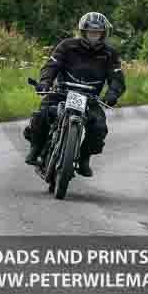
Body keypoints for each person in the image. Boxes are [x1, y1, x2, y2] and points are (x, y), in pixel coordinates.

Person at [23, 12, 126, 176]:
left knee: (99, 128)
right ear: (83, 32)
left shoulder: (110, 54)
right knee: (42, 113)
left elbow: (117, 78)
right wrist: (45, 82)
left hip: (90, 99)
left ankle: (84, 159)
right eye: (91, 32)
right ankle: (35, 149)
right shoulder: (67, 45)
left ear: (104, 34)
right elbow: (51, 65)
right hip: (62, 92)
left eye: (97, 32)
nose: (94, 36)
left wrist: (112, 93)